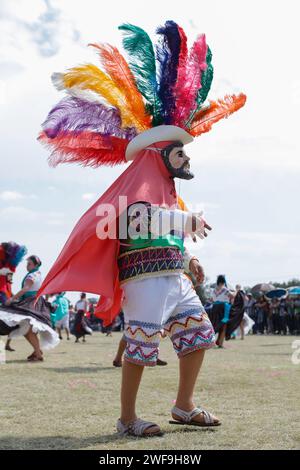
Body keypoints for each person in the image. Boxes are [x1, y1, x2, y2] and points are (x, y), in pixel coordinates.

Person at [37, 22, 246, 436]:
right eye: (180, 153)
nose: (186, 160)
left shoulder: (164, 190)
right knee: (140, 346)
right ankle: (128, 418)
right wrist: (186, 222)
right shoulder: (139, 186)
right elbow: (134, 219)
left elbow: (164, 227)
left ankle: (184, 406)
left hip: (172, 275)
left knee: (200, 336)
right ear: (161, 154)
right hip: (144, 279)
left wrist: (189, 256)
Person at [0, 254, 59, 361]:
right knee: (26, 330)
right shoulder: (38, 274)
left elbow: (25, 289)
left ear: (35, 265)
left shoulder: (31, 275)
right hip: (35, 303)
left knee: (27, 330)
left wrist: (12, 299)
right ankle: (37, 352)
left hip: (30, 303)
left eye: (29, 264)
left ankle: (38, 354)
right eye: (27, 263)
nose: (27, 266)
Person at [209, 275, 234, 348]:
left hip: (214, 307)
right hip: (223, 308)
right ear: (224, 281)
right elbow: (232, 296)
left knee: (215, 324)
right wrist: (236, 291)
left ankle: (215, 341)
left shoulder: (213, 290)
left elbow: (212, 299)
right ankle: (220, 343)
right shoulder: (225, 289)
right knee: (223, 326)